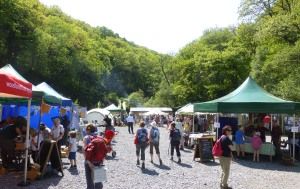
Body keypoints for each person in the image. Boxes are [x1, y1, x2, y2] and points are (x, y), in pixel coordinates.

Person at [83, 124, 106, 189]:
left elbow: (84, 150)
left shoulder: (86, 138)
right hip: (99, 160)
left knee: (89, 179)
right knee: (99, 178)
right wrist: (102, 160)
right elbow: (104, 150)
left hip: (89, 161)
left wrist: (88, 161)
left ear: (88, 130)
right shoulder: (100, 138)